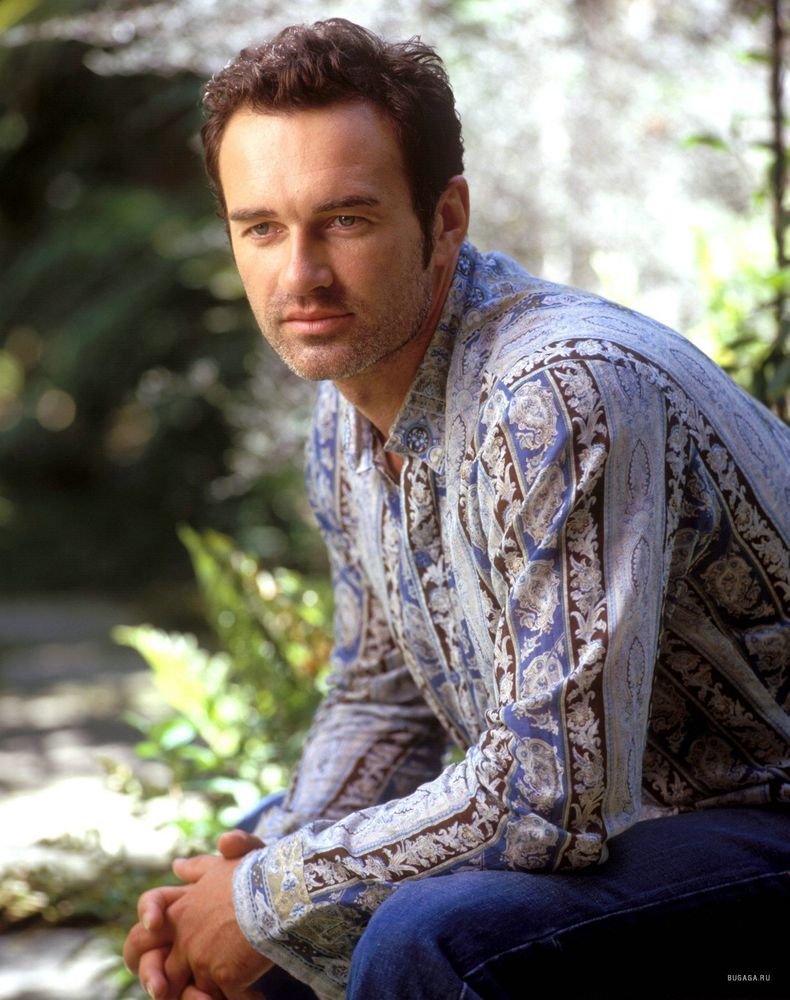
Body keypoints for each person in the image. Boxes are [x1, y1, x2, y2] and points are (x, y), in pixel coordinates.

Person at [124, 17, 790, 1000]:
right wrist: (249, 882)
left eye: (346, 220)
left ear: (445, 217)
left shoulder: (560, 393)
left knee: (420, 935)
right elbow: (380, 701)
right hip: (645, 833)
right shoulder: (347, 411)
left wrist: (269, 898)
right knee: (255, 881)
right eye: (261, 228)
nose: (299, 275)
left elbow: (550, 795)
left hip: (761, 818)